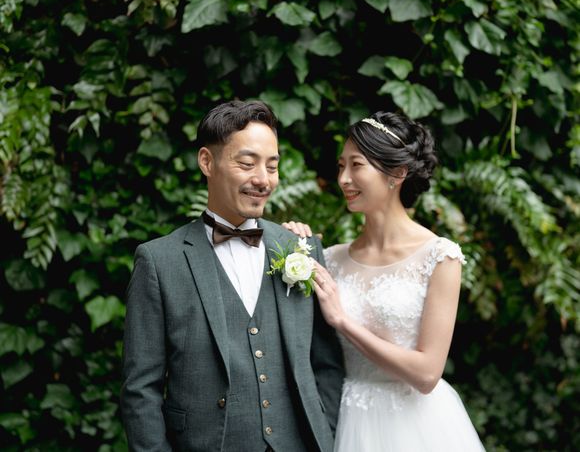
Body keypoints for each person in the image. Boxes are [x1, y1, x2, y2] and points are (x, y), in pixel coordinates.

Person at [120, 100, 344, 452]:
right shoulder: (159, 262)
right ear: (207, 161)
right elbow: (140, 391)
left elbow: (326, 362)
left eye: (272, 166)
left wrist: (323, 431)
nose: (263, 179)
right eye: (247, 163)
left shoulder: (301, 249)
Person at [283, 111, 485, 451]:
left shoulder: (440, 257)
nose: (344, 178)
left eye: (356, 165)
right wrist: (291, 246)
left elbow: (427, 374)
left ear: (398, 173)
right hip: (343, 420)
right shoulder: (330, 258)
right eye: (341, 166)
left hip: (417, 427)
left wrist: (342, 322)